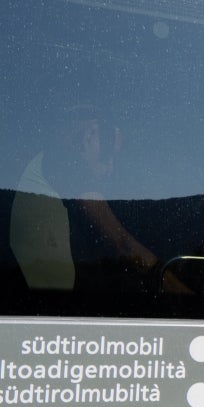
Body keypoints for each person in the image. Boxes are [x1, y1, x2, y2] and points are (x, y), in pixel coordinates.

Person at [10, 105, 189, 299]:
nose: (109, 169)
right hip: (48, 312)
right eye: (107, 156)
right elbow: (122, 244)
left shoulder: (54, 159)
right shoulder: (68, 166)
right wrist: (182, 293)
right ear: (88, 135)